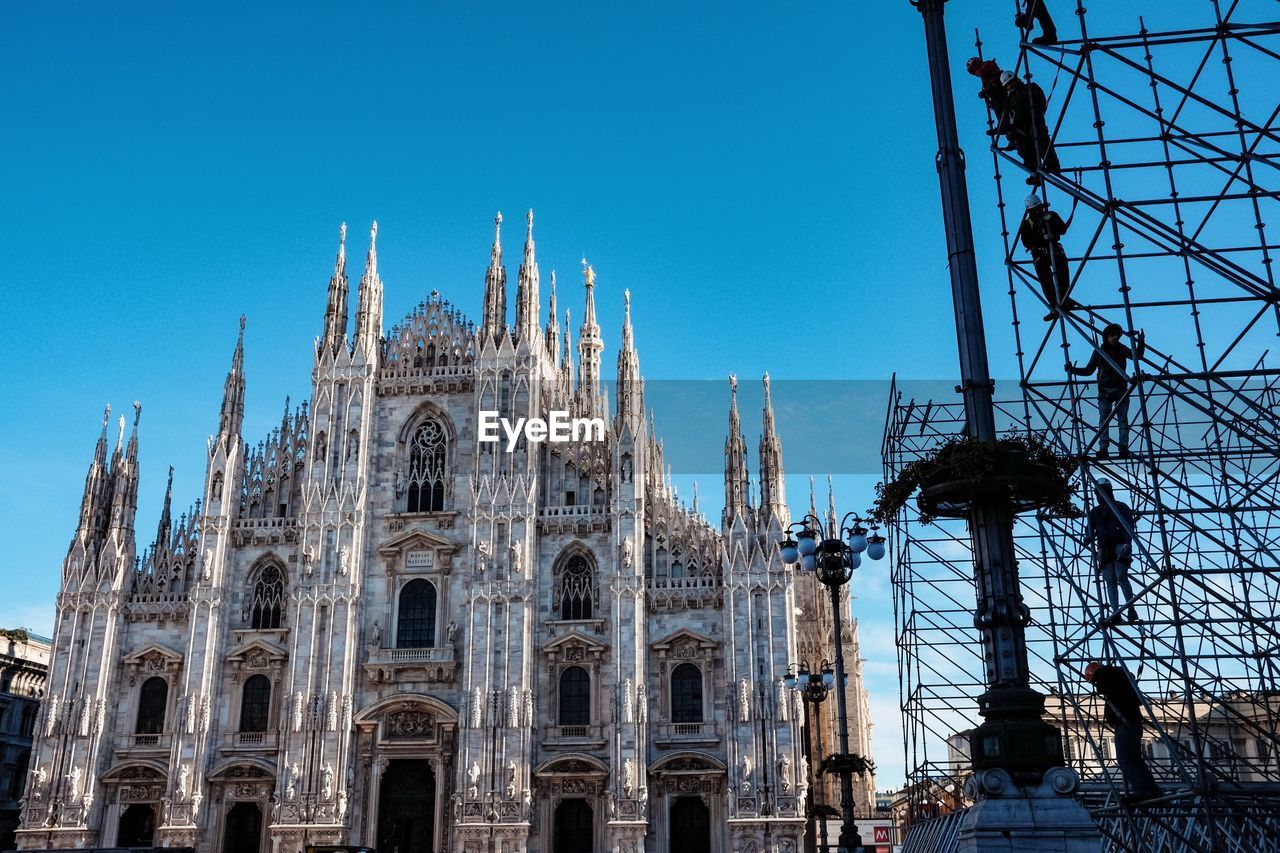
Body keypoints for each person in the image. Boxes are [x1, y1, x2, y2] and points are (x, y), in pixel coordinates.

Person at [1084, 662, 1163, 801]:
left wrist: (1102, 677)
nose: (1096, 684)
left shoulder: (1108, 678)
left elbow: (1103, 686)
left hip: (1125, 724)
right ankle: (1152, 790)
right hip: (1132, 723)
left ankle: (1142, 791)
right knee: (1135, 759)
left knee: (1125, 759)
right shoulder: (1122, 680)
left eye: (1094, 681)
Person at [1066, 322, 1145, 458]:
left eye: (1116, 336)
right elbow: (1088, 370)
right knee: (1105, 421)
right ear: (1107, 337)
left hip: (1120, 390)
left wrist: (1141, 342)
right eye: (1112, 335)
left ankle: (1123, 448)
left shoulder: (1120, 349)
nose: (1115, 338)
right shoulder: (1100, 351)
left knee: (1121, 420)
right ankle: (1104, 449)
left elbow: (1137, 356)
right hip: (1105, 391)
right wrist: (1072, 370)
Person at [1085, 479, 1139, 623]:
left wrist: (1128, 543)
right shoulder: (1095, 512)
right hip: (1104, 548)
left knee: (1121, 577)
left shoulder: (1121, 507)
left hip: (1119, 544)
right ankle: (1116, 612)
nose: (1100, 495)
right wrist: (1087, 537)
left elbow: (1129, 526)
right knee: (1110, 581)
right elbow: (1089, 528)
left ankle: (1130, 608)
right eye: (1098, 493)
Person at [1019, 195, 1080, 320]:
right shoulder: (1027, 224)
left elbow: (1062, 230)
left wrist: (1052, 227)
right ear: (1030, 211)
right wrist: (1041, 239)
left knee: (1062, 273)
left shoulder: (1051, 215)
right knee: (1046, 281)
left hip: (1055, 250)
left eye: (1038, 209)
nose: (1037, 212)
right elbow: (1026, 242)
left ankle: (1064, 300)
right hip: (1040, 254)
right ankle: (1054, 305)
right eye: (1034, 210)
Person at [1001, 71, 1061, 184]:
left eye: (1011, 83)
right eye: (1008, 85)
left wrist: (1035, 112)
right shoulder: (1008, 100)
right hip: (1020, 128)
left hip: (1034, 121)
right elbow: (1006, 119)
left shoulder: (1030, 88)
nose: (1010, 86)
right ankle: (1035, 174)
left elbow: (1041, 101)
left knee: (1041, 141)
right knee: (1025, 151)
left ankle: (1053, 165)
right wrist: (1010, 133)